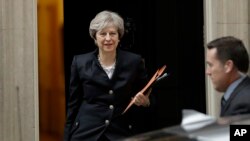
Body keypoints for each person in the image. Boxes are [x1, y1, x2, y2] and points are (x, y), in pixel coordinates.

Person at [64, 10, 154, 141]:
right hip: (86, 132)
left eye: (112, 33)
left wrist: (146, 102)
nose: (108, 38)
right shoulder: (80, 62)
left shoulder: (134, 61)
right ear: (95, 37)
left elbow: (149, 95)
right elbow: (73, 104)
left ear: (119, 37)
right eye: (102, 34)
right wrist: (67, 136)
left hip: (121, 131)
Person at [206, 36, 250, 117]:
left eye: (210, 65)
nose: (207, 72)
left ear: (228, 66)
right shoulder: (239, 94)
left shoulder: (243, 103)